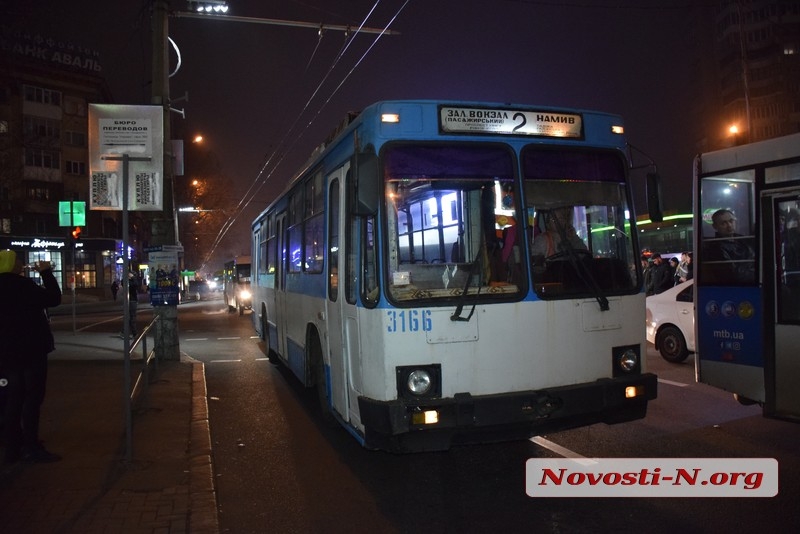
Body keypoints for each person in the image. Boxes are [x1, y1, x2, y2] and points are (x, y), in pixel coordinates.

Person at [0, 250, 62, 463]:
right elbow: (54, 298)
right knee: (32, 398)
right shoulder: (22, 286)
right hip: (31, 351)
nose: (20, 263)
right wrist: (46, 273)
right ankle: (31, 446)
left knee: (11, 399)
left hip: (6, 355)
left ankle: (12, 447)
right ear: (9, 264)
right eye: (17, 260)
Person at [704, 208, 755, 283]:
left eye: (731, 221)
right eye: (723, 223)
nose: (729, 225)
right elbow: (734, 275)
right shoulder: (716, 248)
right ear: (715, 226)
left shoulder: (744, 240)